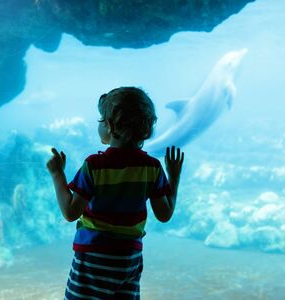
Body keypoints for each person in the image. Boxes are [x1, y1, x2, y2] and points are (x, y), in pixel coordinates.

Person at [46, 87, 184, 299]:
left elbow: (70, 212)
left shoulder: (94, 166)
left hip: (92, 259)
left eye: (102, 119)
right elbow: (164, 215)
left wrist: (57, 174)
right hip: (128, 260)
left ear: (110, 126)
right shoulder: (152, 168)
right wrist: (174, 178)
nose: (99, 123)